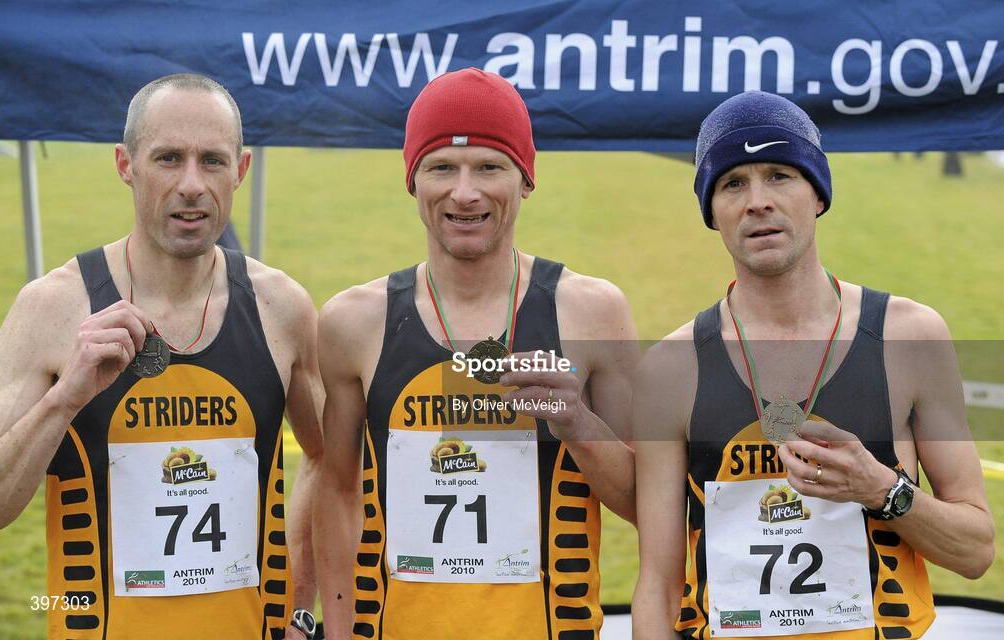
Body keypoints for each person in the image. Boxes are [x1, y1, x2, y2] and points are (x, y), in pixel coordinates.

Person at [632, 91, 995, 639]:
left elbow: (975, 551)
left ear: (818, 194)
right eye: (733, 183)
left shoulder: (910, 338)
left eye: (780, 174)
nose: (757, 201)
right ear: (712, 211)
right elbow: (658, 587)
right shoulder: (669, 369)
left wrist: (881, 489)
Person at [0, 74, 324, 640]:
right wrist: (64, 399)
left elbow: (328, 460)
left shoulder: (280, 307)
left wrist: (298, 607)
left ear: (240, 171)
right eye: (168, 158)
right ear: (125, 164)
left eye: (212, 161)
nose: (191, 184)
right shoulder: (53, 308)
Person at [316, 67, 639, 640]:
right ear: (413, 180)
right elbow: (339, 492)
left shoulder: (591, 312)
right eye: (442, 167)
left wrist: (578, 423)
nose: (465, 193)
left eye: (489, 167)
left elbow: (645, 502)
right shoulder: (353, 321)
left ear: (526, 179)